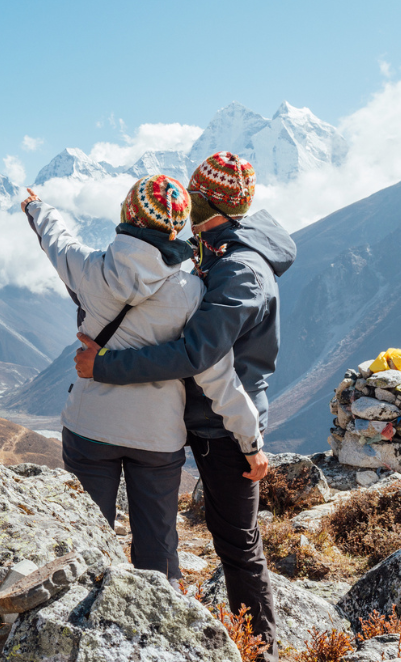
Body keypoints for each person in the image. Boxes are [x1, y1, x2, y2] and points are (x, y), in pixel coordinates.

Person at [74, 152, 296, 662]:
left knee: (237, 543)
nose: (183, 201)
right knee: (169, 532)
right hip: (185, 416)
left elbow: (197, 352)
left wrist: (103, 365)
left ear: (212, 203)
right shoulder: (210, 247)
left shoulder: (243, 272)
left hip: (226, 426)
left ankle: (261, 651)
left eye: (193, 195)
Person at [22, 174, 262, 586]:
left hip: (89, 427)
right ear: (178, 228)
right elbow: (218, 375)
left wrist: (35, 207)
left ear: (127, 214)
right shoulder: (190, 292)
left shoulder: (88, 268)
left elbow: (55, 240)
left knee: (87, 539)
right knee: (158, 549)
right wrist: (250, 440)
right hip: (157, 437)